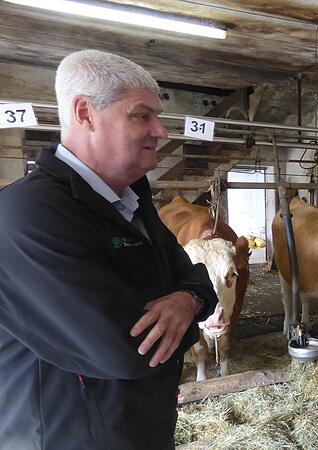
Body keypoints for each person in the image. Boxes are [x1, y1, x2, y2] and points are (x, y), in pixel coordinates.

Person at [0, 50, 217, 449]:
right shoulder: (26, 214)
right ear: (85, 113)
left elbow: (196, 277)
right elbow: (128, 349)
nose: (161, 131)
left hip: (141, 430)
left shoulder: (132, 199)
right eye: (142, 115)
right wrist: (192, 308)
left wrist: (186, 300)